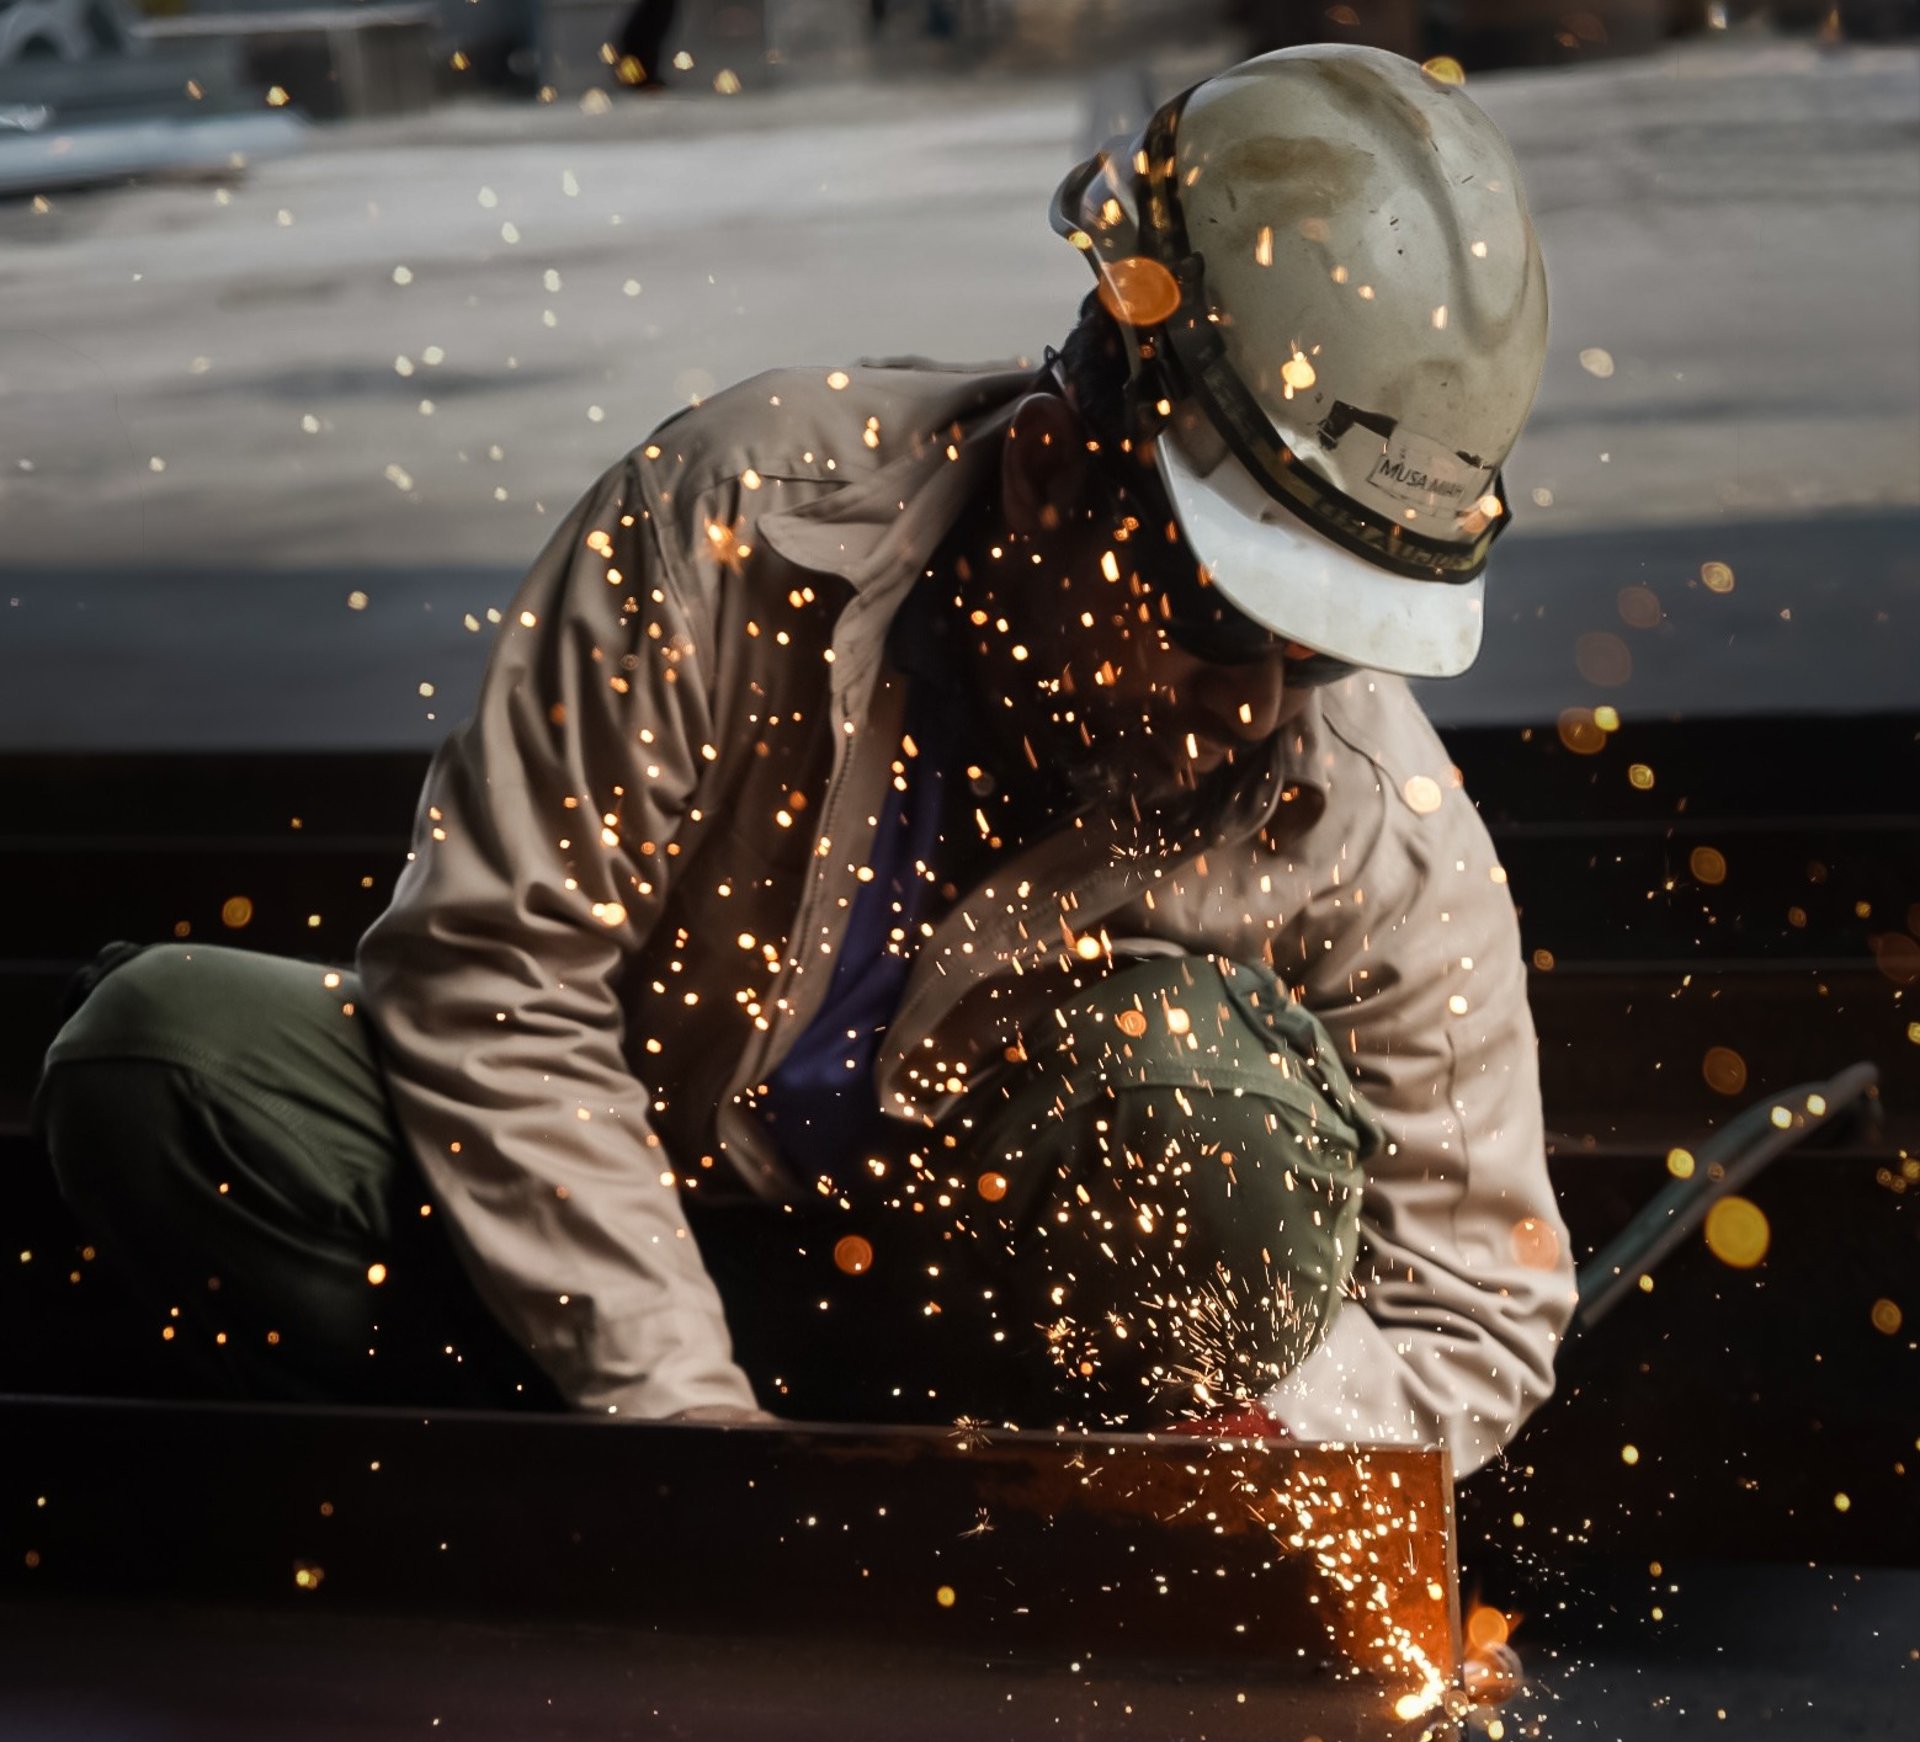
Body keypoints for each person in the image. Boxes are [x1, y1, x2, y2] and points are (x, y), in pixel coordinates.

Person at [35, 45, 1574, 1470]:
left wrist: (1257, 1446)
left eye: (1329, 645)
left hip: (989, 1376)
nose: (1264, 705)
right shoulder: (731, 511)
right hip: (605, 1252)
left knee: (1207, 1117)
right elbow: (493, 975)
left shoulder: (1366, 814)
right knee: (164, 1059)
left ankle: (985, 1550)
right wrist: (694, 1436)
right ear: (1051, 475)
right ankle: (536, 1494)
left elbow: (1479, 1307)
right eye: (1232, 624)